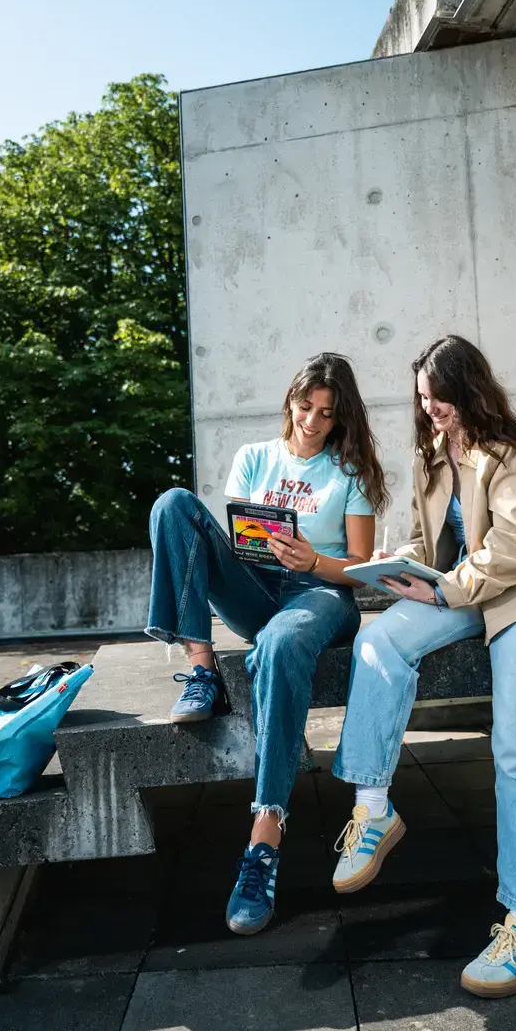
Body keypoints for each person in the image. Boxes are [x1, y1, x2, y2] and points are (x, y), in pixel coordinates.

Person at [331, 335, 516, 998]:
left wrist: (449, 588)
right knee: (377, 643)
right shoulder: (431, 453)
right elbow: (425, 537)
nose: (429, 408)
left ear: (468, 391)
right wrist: (401, 569)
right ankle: (373, 807)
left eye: (438, 397)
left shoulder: (509, 453)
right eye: (422, 398)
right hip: (461, 589)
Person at [146, 352, 388, 936]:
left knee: (280, 643)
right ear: (290, 400)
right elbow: (234, 536)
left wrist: (316, 560)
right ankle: (200, 669)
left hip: (321, 595)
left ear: (340, 418)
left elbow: (363, 568)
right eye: (305, 407)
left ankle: (264, 836)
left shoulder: (349, 472)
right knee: (172, 504)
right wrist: (260, 552)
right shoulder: (254, 458)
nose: (311, 421)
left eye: (326, 414)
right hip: (258, 587)